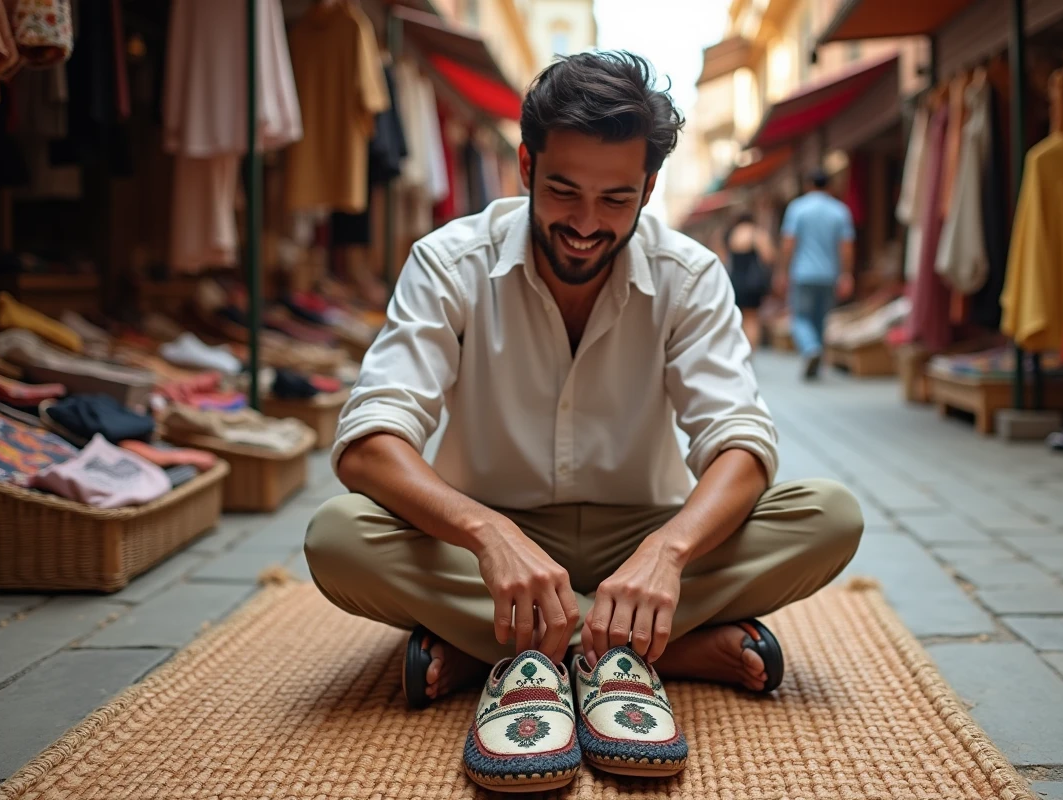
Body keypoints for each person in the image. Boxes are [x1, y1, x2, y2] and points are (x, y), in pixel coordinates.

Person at [304, 51, 863, 791]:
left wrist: (668, 552)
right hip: (485, 551)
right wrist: (486, 533)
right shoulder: (448, 262)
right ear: (526, 166)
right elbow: (369, 441)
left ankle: (500, 651)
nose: (586, 225)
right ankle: (657, 650)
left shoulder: (690, 275)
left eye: (616, 200)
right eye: (563, 191)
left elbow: (740, 441)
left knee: (829, 516)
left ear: (649, 189)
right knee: (338, 537)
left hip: (643, 536)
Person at [775, 169, 856, 379]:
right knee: (821, 320)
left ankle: (811, 349)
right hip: (829, 275)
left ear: (808, 185)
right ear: (829, 186)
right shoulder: (840, 211)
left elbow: (788, 243)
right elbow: (846, 247)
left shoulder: (798, 208)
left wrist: (782, 271)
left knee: (800, 317)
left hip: (802, 273)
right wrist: (846, 274)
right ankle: (816, 358)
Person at [721, 213, 775, 349]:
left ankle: (738, 348)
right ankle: (750, 350)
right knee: (751, 319)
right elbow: (768, 256)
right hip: (752, 283)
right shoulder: (756, 233)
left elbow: (723, 258)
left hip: (735, 281)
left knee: (737, 316)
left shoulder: (732, 234)